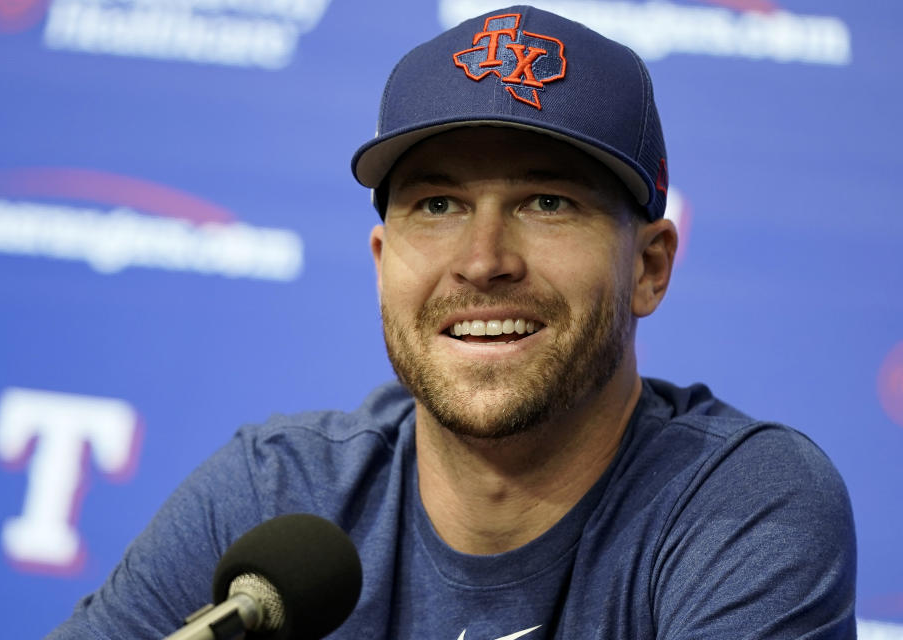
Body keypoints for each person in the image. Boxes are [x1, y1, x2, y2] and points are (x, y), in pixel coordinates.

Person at [49, 5, 856, 639]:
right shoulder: (274, 493)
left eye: (548, 202)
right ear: (380, 259)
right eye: (438, 205)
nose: (482, 259)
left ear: (649, 267)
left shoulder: (738, 508)